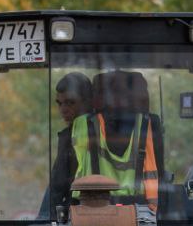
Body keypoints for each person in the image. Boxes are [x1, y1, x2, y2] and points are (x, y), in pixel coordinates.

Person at [70, 71, 162, 208]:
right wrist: (153, 209)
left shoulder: (81, 124)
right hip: (137, 210)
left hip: (92, 208)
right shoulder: (147, 124)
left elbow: (67, 174)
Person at [44, 73, 93, 215]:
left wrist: (43, 219)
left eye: (70, 103)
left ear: (88, 102)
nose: (63, 110)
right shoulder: (70, 135)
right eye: (59, 103)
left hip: (79, 214)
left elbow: (56, 188)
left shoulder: (70, 137)